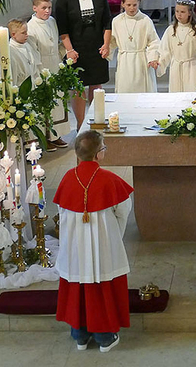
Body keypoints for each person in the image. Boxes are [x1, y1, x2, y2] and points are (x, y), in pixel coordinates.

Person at [54, 130, 134, 353]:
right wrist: (114, 236)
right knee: (102, 285)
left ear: (77, 154)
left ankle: (80, 336)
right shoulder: (109, 179)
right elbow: (123, 211)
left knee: (77, 283)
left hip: (74, 246)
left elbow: (61, 212)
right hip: (102, 243)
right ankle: (105, 337)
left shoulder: (67, 178)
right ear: (99, 154)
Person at [56, 0, 113, 128]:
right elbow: (62, 26)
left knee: (96, 84)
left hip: (97, 45)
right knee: (78, 86)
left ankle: (96, 121)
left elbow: (107, 21)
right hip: (76, 47)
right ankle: (81, 126)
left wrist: (106, 45)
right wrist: (70, 50)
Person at [27, 0, 70, 150]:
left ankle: (56, 134)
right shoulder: (31, 26)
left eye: (49, 8)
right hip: (42, 67)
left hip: (55, 64)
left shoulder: (52, 21)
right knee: (45, 103)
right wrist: (39, 74)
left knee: (57, 102)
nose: (47, 11)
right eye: (44, 8)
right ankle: (45, 137)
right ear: (35, 8)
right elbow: (33, 53)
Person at [110, 0, 160, 93]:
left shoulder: (145, 20)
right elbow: (112, 41)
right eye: (128, 5)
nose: (132, 8)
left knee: (141, 89)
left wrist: (153, 58)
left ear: (139, 3)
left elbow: (153, 41)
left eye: (134, 5)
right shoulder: (117, 21)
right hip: (124, 60)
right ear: (123, 4)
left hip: (141, 60)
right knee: (125, 88)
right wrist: (106, 50)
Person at [156, 0, 196, 92]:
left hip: (193, 67)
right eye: (177, 11)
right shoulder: (171, 29)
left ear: (189, 13)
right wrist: (159, 63)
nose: (179, 14)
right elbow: (165, 50)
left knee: (193, 93)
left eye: (182, 12)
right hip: (176, 67)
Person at [8, 18, 40, 87]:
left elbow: (34, 67)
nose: (27, 35)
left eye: (26, 32)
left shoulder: (27, 46)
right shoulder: (10, 51)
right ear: (13, 34)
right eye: (23, 33)